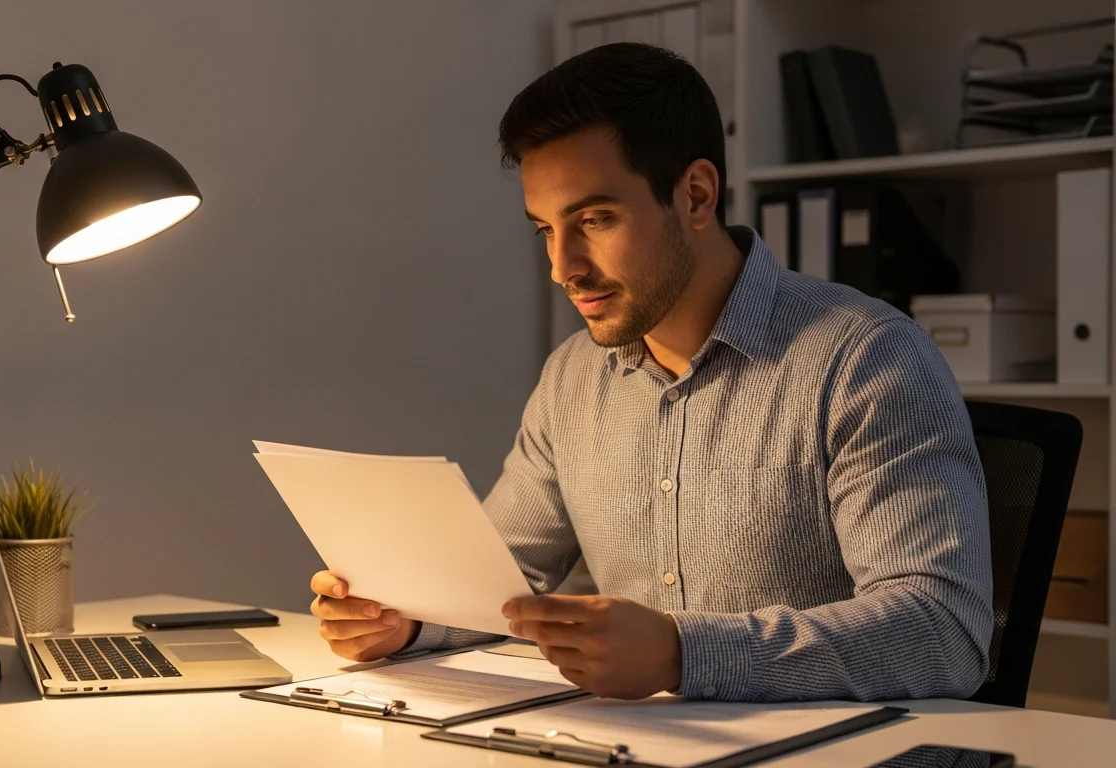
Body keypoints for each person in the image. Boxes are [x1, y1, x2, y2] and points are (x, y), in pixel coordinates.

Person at [308, 42, 992, 702]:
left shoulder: (865, 358)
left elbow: (944, 630)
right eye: (545, 229)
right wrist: (409, 621)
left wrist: (681, 652)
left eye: (594, 219)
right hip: (641, 747)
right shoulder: (573, 378)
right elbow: (499, 583)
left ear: (695, 195)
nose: (562, 267)